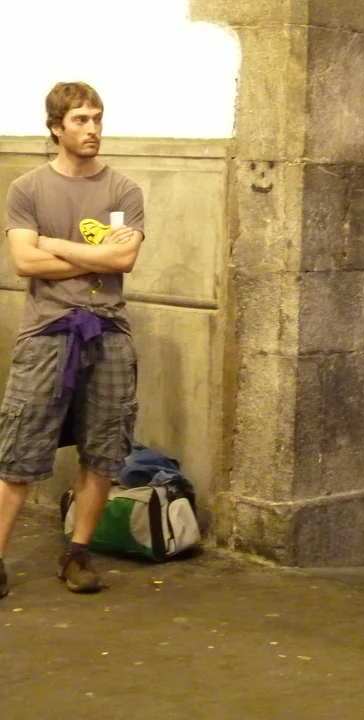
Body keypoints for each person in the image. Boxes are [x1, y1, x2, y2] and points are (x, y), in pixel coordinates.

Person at [0, 82, 145, 598]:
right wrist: (94, 257)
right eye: (81, 120)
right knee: (20, 451)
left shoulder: (123, 190)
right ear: (56, 127)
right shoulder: (27, 189)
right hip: (47, 333)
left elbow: (123, 259)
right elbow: (25, 262)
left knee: (104, 449)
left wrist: (55, 244)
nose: (93, 129)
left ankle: (77, 554)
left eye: (97, 118)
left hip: (109, 331)